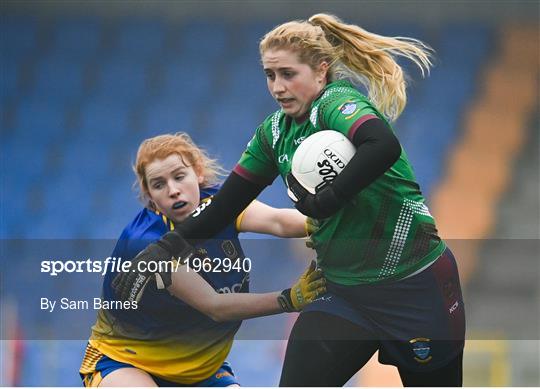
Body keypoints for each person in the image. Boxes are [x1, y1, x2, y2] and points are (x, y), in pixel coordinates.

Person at [113, 13, 466, 387]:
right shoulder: (274, 132)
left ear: (320, 71)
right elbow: (227, 204)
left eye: (288, 74)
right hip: (345, 295)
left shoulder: (337, 102)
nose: (278, 87)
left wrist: (331, 198)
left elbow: (382, 145)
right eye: (270, 75)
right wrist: (166, 248)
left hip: (414, 287)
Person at [79, 132, 325, 387]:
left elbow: (279, 221)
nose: (173, 190)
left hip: (201, 371)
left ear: (197, 173)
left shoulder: (220, 203)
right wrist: (289, 298)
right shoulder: (147, 243)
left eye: (179, 176)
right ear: (149, 194)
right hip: (127, 361)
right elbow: (214, 306)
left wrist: (329, 220)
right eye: (159, 184)